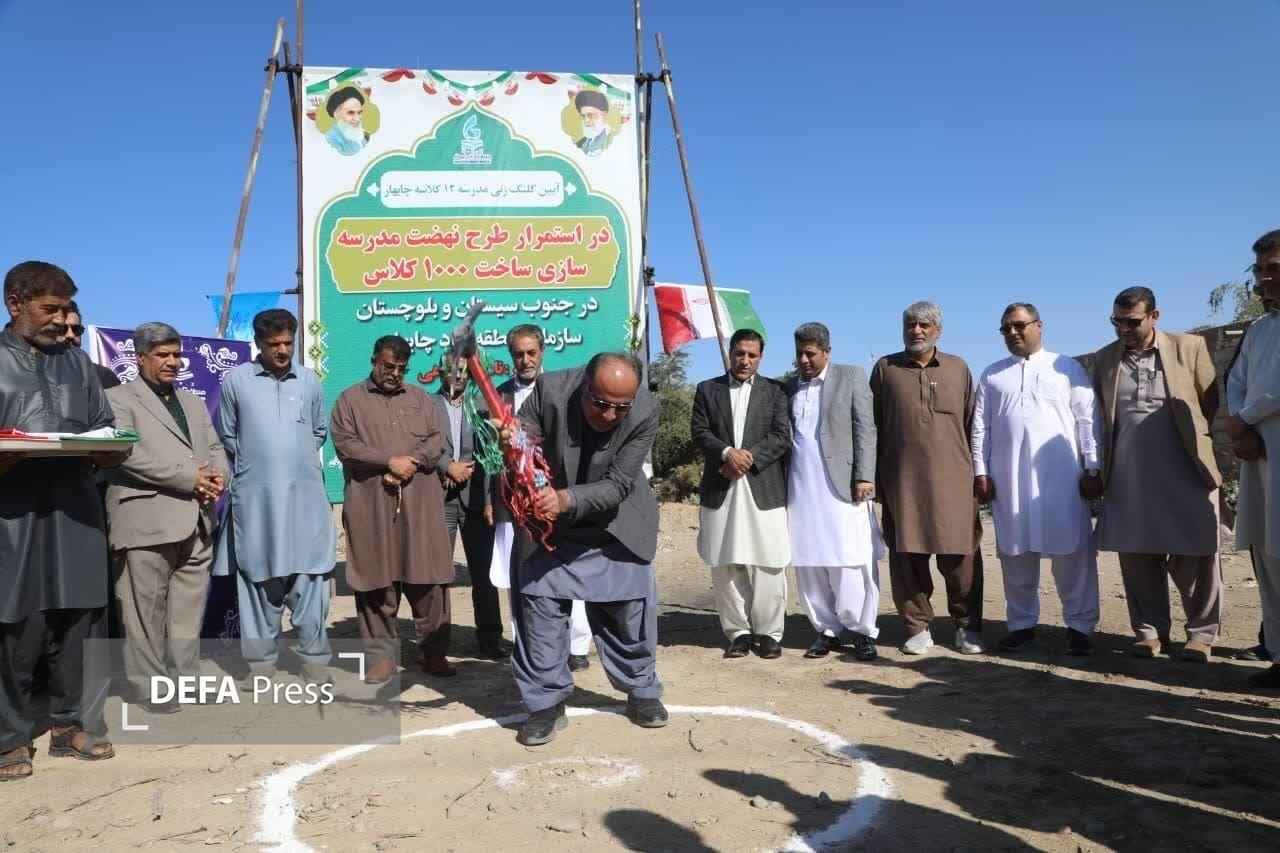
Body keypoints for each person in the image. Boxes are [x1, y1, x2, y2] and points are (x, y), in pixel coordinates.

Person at [0, 261, 126, 779]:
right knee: (18, 624)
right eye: (48, 310)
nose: (59, 320)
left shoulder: (78, 364)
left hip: (75, 507)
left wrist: (109, 452)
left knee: (80, 618)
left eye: (63, 310)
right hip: (14, 513)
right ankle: (9, 737)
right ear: (15, 304)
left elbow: (104, 428)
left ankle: (71, 725)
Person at [502, 352, 665, 745]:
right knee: (538, 609)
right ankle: (545, 703)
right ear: (584, 387)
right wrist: (513, 439)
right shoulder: (550, 389)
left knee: (629, 611)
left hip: (614, 520)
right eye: (601, 403)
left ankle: (640, 689)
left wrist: (568, 499)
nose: (610, 415)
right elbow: (525, 432)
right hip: (548, 523)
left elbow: (620, 483)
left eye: (619, 408)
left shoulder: (645, 409)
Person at [1091, 287, 1222, 661]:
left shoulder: (1189, 347)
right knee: (1136, 555)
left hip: (1184, 468)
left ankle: (1200, 635)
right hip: (1129, 473)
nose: (1123, 329)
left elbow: (1208, 404)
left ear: (1154, 316)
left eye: (1132, 321)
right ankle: (1149, 632)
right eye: (1117, 322)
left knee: (1195, 553)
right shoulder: (1104, 359)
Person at [105, 323, 230, 704]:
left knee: (187, 613)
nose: (172, 362)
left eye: (177, 355)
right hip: (146, 520)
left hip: (197, 520)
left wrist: (217, 477)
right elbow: (127, 454)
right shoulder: (116, 399)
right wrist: (191, 478)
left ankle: (187, 678)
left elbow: (214, 445)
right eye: (163, 355)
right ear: (141, 358)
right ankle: (150, 687)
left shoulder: (192, 401)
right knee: (144, 613)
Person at [213, 309, 336, 684]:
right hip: (257, 502)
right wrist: (264, 466)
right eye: (273, 345)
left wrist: (291, 462)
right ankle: (261, 665)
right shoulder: (236, 381)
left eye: (288, 343)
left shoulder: (310, 381)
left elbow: (318, 431)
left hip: (305, 500)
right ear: (258, 344)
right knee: (257, 579)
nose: (282, 351)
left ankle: (314, 661)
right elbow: (229, 436)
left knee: (310, 577)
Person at [973, 303, 1102, 655]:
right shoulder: (992, 374)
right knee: (1015, 553)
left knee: (1072, 552)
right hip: (1008, 477)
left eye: (1018, 326)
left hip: (1061, 478)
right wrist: (980, 472)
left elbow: (1087, 420)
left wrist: (1092, 467)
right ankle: (1021, 625)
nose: (1012, 333)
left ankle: (1080, 627)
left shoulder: (1066, 368)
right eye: (1005, 329)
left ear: (1039, 326)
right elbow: (980, 428)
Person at [330, 336, 456, 682]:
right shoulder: (349, 401)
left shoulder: (420, 399)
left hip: (420, 505)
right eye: (388, 366)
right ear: (374, 361)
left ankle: (434, 653)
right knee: (375, 582)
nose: (395, 373)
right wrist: (387, 461)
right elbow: (345, 444)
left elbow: (436, 438)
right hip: (371, 504)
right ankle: (381, 659)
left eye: (402, 368)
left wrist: (411, 461)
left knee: (429, 579)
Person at [870, 301, 986, 656]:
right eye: (909, 324)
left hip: (955, 481)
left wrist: (980, 473)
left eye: (923, 324)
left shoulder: (958, 368)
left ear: (938, 329)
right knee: (908, 556)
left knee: (961, 557)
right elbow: (872, 426)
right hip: (902, 482)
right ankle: (916, 627)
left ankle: (967, 627)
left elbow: (974, 425)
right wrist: (875, 480)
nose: (916, 330)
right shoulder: (885, 369)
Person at [489, 325, 596, 671]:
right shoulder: (494, 397)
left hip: (556, 500)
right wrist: (491, 501)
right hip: (512, 502)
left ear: (543, 351)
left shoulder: (564, 392)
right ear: (511, 356)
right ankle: (527, 644)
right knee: (518, 575)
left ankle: (577, 646)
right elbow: (489, 455)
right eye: (518, 354)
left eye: (531, 352)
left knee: (569, 570)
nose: (525, 360)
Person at [690, 328, 792, 659]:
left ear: (760, 357)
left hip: (763, 486)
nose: (744, 360)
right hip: (722, 484)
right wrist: (725, 454)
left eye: (752, 355)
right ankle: (739, 632)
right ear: (730, 353)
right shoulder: (707, 390)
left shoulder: (776, 391)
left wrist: (746, 459)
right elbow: (700, 432)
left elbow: (781, 436)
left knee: (769, 561)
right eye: (739, 353)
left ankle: (769, 633)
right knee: (725, 561)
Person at [785, 322, 882, 662]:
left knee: (851, 559)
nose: (804, 360)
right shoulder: (789, 387)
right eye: (799, 353)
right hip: (800, 487)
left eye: (810, 353)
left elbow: (865, 429)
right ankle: (826, 630)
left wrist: (864, 475)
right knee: (809, 560)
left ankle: (862, 631)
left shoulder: (851, 376)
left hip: (844, 486)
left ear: (827, 352)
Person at [431, 349, 511, 661]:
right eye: (452, 370)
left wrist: (491, 500)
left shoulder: (481, 405)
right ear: (439, 373)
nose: (458, 376)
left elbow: (493, 458)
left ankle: (490, 639)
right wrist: (445, 466)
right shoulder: (426, 405)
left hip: (478, 501)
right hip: (441, 497)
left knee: (483, 574)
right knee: (438, 574)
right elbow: (420, 444)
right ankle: (437, 642)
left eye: (464, 370)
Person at [1227, 230, 1280, 687]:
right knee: (1267, 554)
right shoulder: (1260, 330)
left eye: (1274, 268)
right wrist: (1239, 428)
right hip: (1260, 459)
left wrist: (1243, 418)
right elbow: (1237, 380)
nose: (1265, 279)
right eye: (1261, 270)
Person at [60, 299, 120, 389]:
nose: (70, 335)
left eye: (76, 329)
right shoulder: (34, 375)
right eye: (62, 329)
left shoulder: (104, 377)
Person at [325, 86, 368, 155]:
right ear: (336, 114)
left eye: (359, 113)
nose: (357, 118)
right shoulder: (331, 140)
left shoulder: (362, 136)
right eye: (350, 113)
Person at [573, 89, 612, 156]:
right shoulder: (579, 144)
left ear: (604, 115)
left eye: (590, 115)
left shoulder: (612, 140)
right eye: (583, 116)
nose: (586, 121)